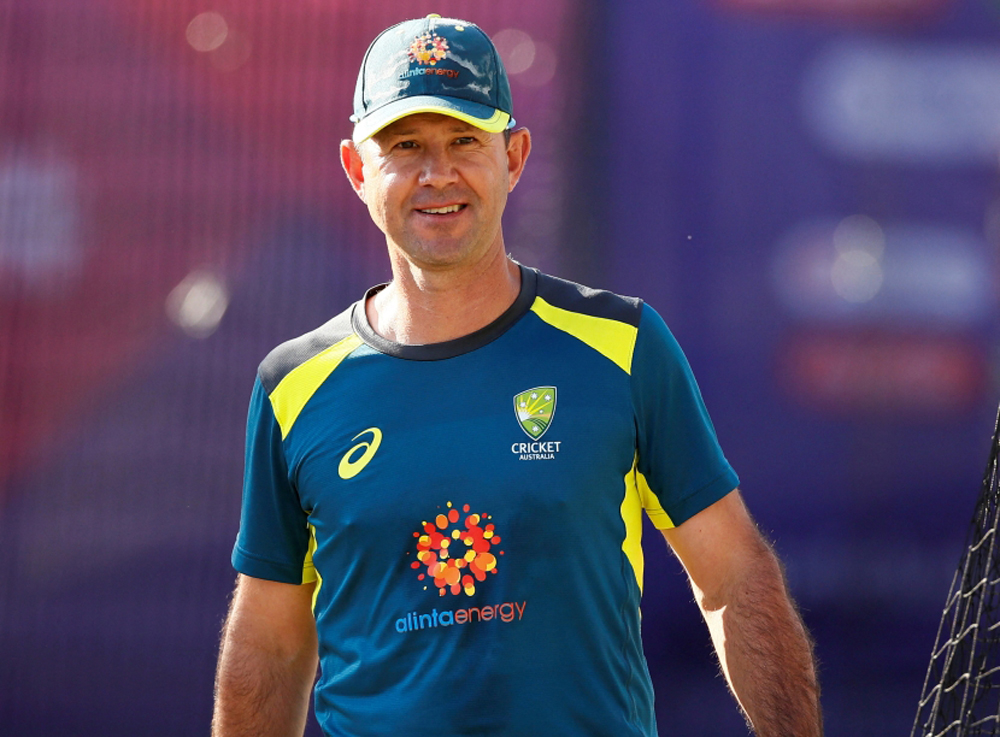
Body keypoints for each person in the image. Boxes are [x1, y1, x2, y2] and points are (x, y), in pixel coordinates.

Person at [212, 14, 822, 737]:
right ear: (356, 169)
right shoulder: (293, 386)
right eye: (406, 145)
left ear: (516, 156)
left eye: (465, 140)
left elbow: (734, 576)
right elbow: (272, 642)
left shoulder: (622, 347)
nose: (438, 174)